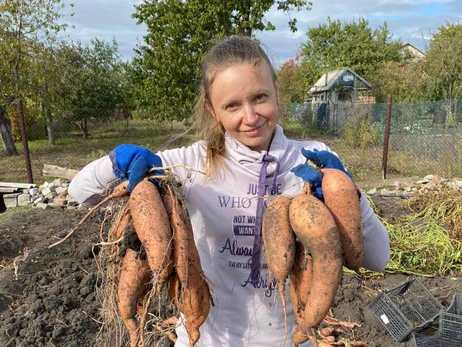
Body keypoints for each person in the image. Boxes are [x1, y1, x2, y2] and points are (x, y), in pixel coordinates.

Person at [68, 35, 390, 347]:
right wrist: (115, 162)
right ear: (212, 109)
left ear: (277, 91)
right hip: (205, 339)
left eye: (260, 97)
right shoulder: (189, 164)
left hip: (291, 339)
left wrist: (348, 195)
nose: (249, 117)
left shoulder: (313, 161)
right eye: (232, 105)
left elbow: (377, 259)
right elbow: (81, 193)